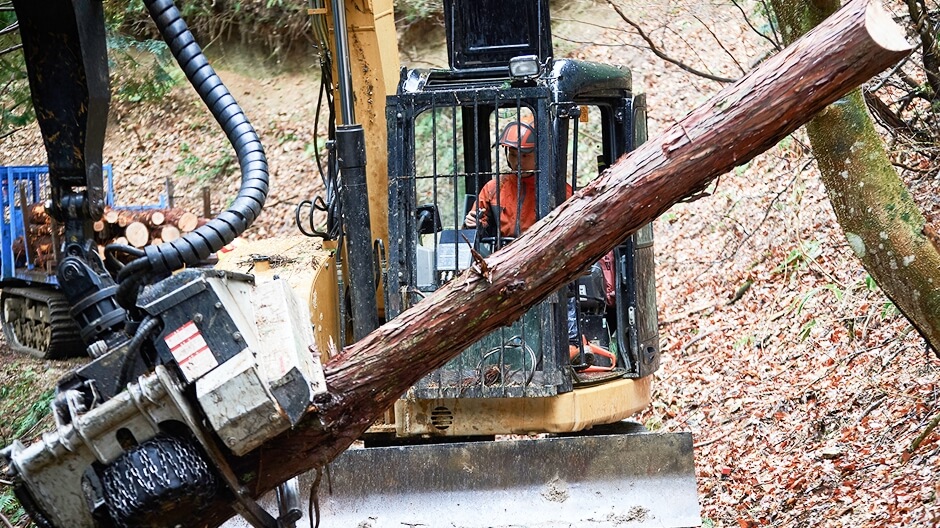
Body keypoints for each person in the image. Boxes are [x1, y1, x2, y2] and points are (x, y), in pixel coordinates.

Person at [464, 117, 614, 371]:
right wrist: (473, 222)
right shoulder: (493, 189)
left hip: (546, 265)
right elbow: (478, 225)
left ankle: (571, 345)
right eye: (513, 154)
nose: (517, 161)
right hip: (504, 266)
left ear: (539, 154)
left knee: (565, 287)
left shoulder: (557, 190)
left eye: (524, 156)